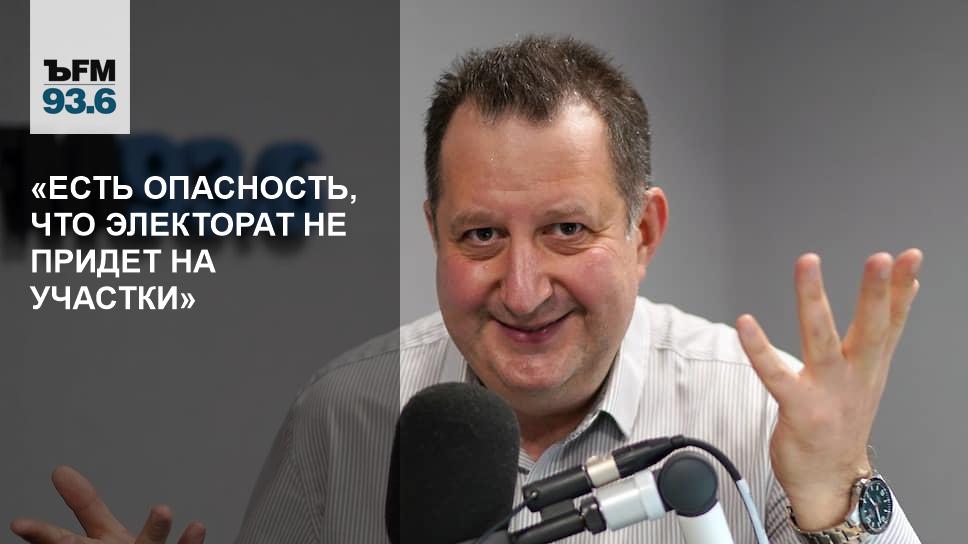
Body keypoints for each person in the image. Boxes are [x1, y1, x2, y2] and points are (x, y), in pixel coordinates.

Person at [11, 36, 923, 543]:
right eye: (481, 236)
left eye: (566, 230)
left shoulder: (758, 407)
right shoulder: (344, 413)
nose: (521, 291)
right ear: (434, 230)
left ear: (643, 233)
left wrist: (839, 495)